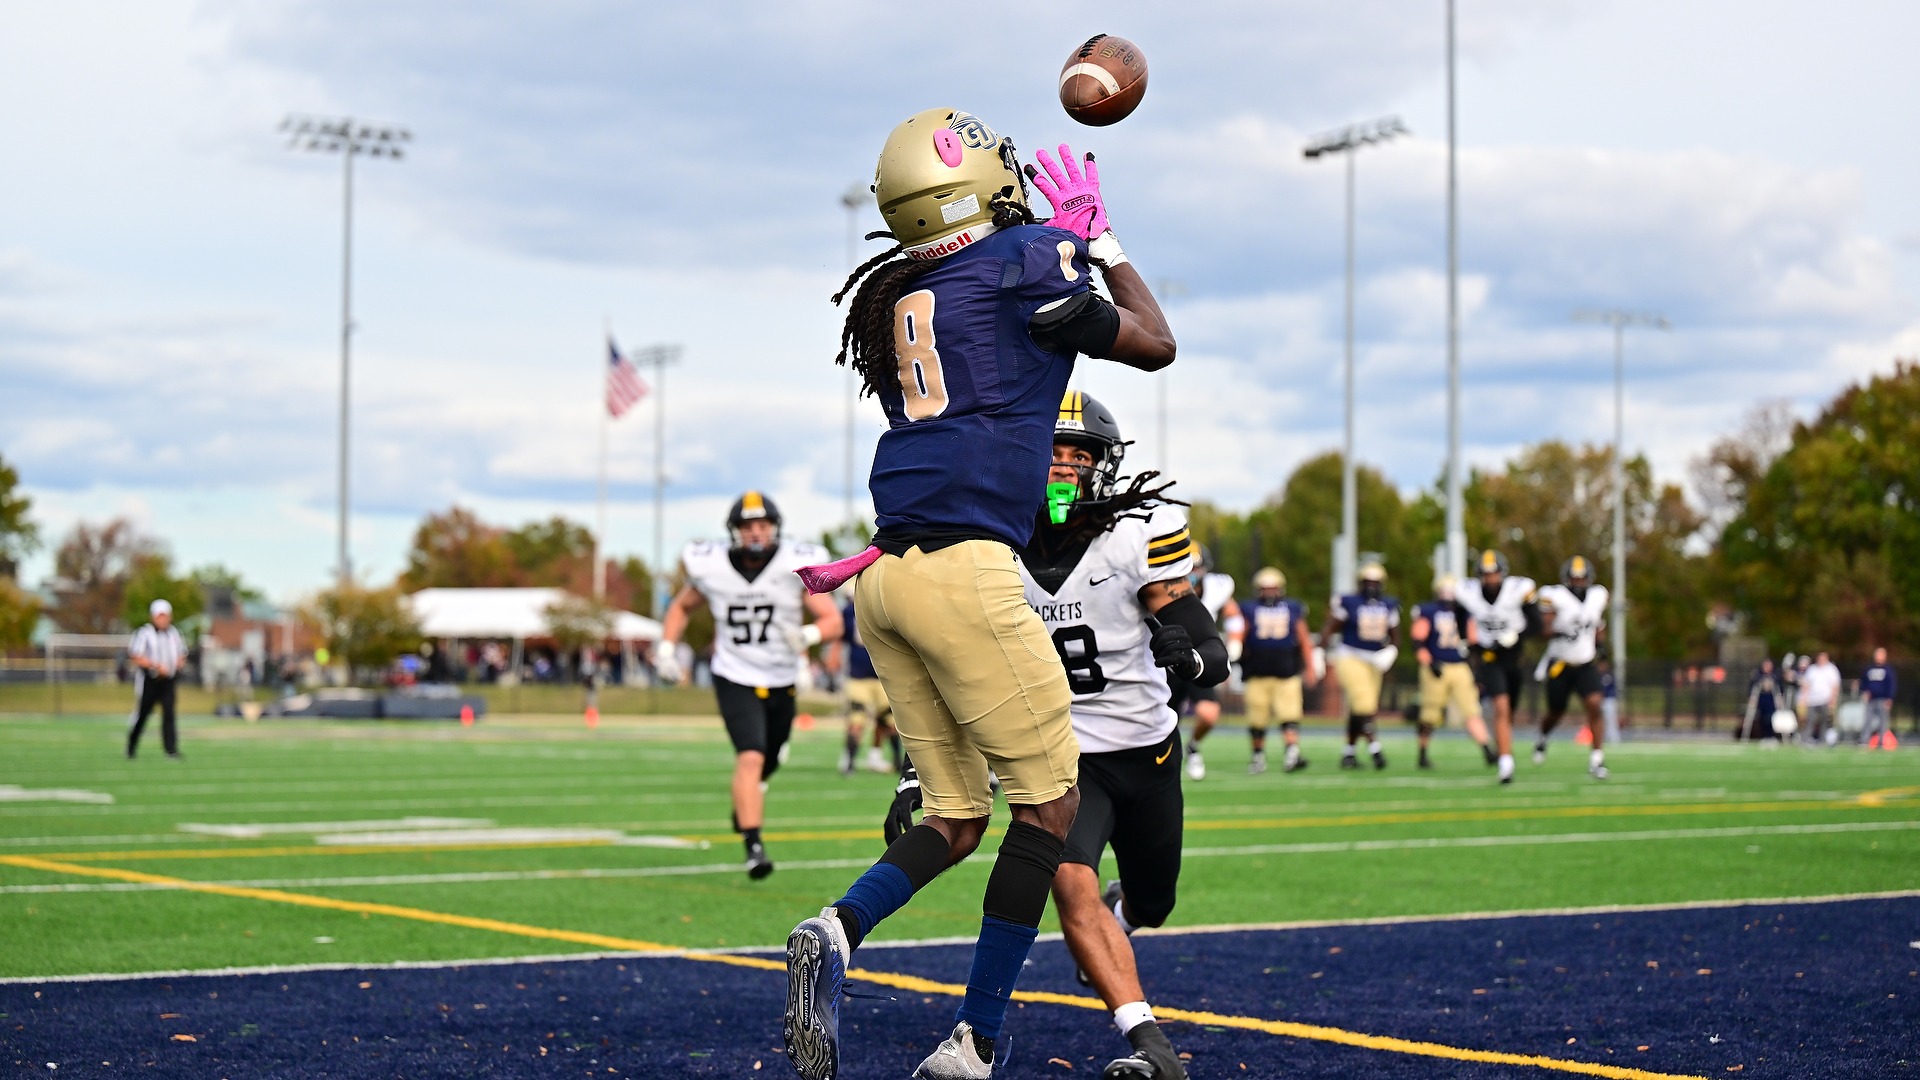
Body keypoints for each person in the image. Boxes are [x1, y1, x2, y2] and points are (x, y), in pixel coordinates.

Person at [781, 108, 1176, 1080]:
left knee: (957, 820)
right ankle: (974, 1043)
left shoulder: (904, 291)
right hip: (967, 572)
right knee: (1048, 812)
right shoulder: (1026, 259)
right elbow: (1155, 343)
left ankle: (836, 930)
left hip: (884, 579)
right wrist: (1101, 241)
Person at [1000, 391, 1220, 1078]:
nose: (1064, 466)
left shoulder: (1135, 535)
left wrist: (1194, 654)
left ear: (1104, 463)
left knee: (1154, 903)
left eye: (1079, 453)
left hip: (1147, 751)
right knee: (1069, 879)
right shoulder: (996, 543)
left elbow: (1201, 634)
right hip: (1066, 759)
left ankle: (1123, 914)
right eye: (1052, 451)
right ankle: (1149, 1045)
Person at [654, 492, 843, 880]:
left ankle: (744, 804)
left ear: (775, 529)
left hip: (782, 677)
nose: (755, 533)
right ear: (734, 531)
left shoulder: (795, 563)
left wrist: (808, 636)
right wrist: (666, 647)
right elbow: (680, 607)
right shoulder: (712, 566)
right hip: (735, 674)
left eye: (762, 525)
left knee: (768, 760)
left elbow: (833, 620)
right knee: (751, 756)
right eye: (747, 526)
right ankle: (753, 845)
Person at [1455, 549, 1539, 784]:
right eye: (1486, 574)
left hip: (1514, 657)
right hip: (1489, 657)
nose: (1490, 579)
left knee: (1509, 710)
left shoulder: (1517, 590)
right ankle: (1506, 763)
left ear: (1502, 574)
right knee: (1500, 707)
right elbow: (1459, 617)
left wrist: (1517, 635)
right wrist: (1468, 644)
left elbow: (1538, 624)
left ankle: (1504, 748)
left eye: (1494, 574)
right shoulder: (1468, 592)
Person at [1532, 556, 1612, 780]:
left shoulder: (1597, 596)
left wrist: (1602, 647)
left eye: (1582, 578)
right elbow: (1541, 629)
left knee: (1595, 704)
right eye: (1574, 578)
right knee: (1556, 712)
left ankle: (1597, 759)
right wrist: (1558, 628)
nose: (1578, 582)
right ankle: (1542, 736)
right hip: (1560, 664)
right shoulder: (1554, 597)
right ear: (1566, 579)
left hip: (1585, 663)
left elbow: (1598, 624)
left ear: (1589, 578)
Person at [1237, 567, 1317, 774]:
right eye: (1265, 589)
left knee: (1289, 715)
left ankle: (1292, 754)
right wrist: (1234, 653)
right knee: (1257, 717)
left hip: (1287, 671)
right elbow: (1240, 635)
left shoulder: (1293, 608)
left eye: (1273, 588)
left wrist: (1311, 667)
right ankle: (1258, 757)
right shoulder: (1249, 609)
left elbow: (1304, 638)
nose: (1269, 593)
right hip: (1256, 671)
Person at [1173, 546, 1243, 781]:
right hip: (1165, 660)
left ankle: (1193, 746)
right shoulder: (1162, 584)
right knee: (1165, 721)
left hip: (1198, 658)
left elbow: (1233, 614)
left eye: (1196, 568)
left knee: (1209, 713)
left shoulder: (1217, 588)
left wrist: (1234, 642)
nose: (1191, 573)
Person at [1322, 561, 1399, 770]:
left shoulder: (1389, 604)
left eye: (1375, 582)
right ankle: (1375, 749)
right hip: (1350, 656)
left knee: (1361, 708)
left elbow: (1395, 634)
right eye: (1367, 582)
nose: (1371, 587)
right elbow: (1331, 627)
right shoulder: (1349, 602)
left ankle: (1349, 753)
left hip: (1375, 660)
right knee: (1365, 704)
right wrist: (1319, 650)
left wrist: (1392, 650)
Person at [1411, 574, 1489, 770]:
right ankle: (1422, 753)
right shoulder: (1428, 611)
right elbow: (1418, 640)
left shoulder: (1465, 613)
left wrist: (1476, 669)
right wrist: (1428, 661)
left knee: (1471, 709)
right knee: (1430, 712)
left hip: (1460, 666)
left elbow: (1473, 643)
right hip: (1436, 665)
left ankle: (1488, 750)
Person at [828, 591, 898, 775]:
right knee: (860, 720)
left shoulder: (858, 610)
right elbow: (840, 636)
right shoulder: (868, 609)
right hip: (866, 675)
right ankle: (851, 760)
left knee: (888, 721)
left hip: (878, 674)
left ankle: (880, 759)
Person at [127, 598, 187, 759]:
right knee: (143, 713)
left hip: (168, 680)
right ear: (153, 616)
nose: (163, 620)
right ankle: (131, 746)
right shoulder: (144, 633)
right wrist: (155, 666)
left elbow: (182, 653)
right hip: (151, 680)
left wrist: (179, 664)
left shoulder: (174, 633)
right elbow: (136, 655)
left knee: (169, 714)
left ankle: (171, 749)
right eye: (160, 616)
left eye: (165, 616)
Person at [1800, 650, 1842, 746]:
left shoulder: (1831, 669)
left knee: (1824, 721)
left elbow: (1835, 685)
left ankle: (1822, 740)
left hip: (1825, 699)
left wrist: (1833, 699)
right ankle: (1806, 740)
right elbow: (1806, 685)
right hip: (1812, 700)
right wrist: (1804, 698)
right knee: (1810, 720)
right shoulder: (1812, 669)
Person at [1862, 647, 1898, 749]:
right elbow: (1864, 681)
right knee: (1867, 720)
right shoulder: (1869, 668)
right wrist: (1865, 691)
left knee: (1883, 721)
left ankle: (1881, 742)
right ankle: (1864, 740)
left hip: (1882, 699)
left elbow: (1891, 685)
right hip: (1871, 699)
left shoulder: (1888, 670)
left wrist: (1889, 698)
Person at [1742, 658, 1783, 743]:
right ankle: (1764, 736)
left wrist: (1780, 697)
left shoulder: (1775, 675)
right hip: (1761, 699)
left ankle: (1771, 736)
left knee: (1771, 717)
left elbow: (1780, 687)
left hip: (1771, 700)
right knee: (1762, 718)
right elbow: (1752, 686)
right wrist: (1751, 697)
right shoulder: (1757, 675)